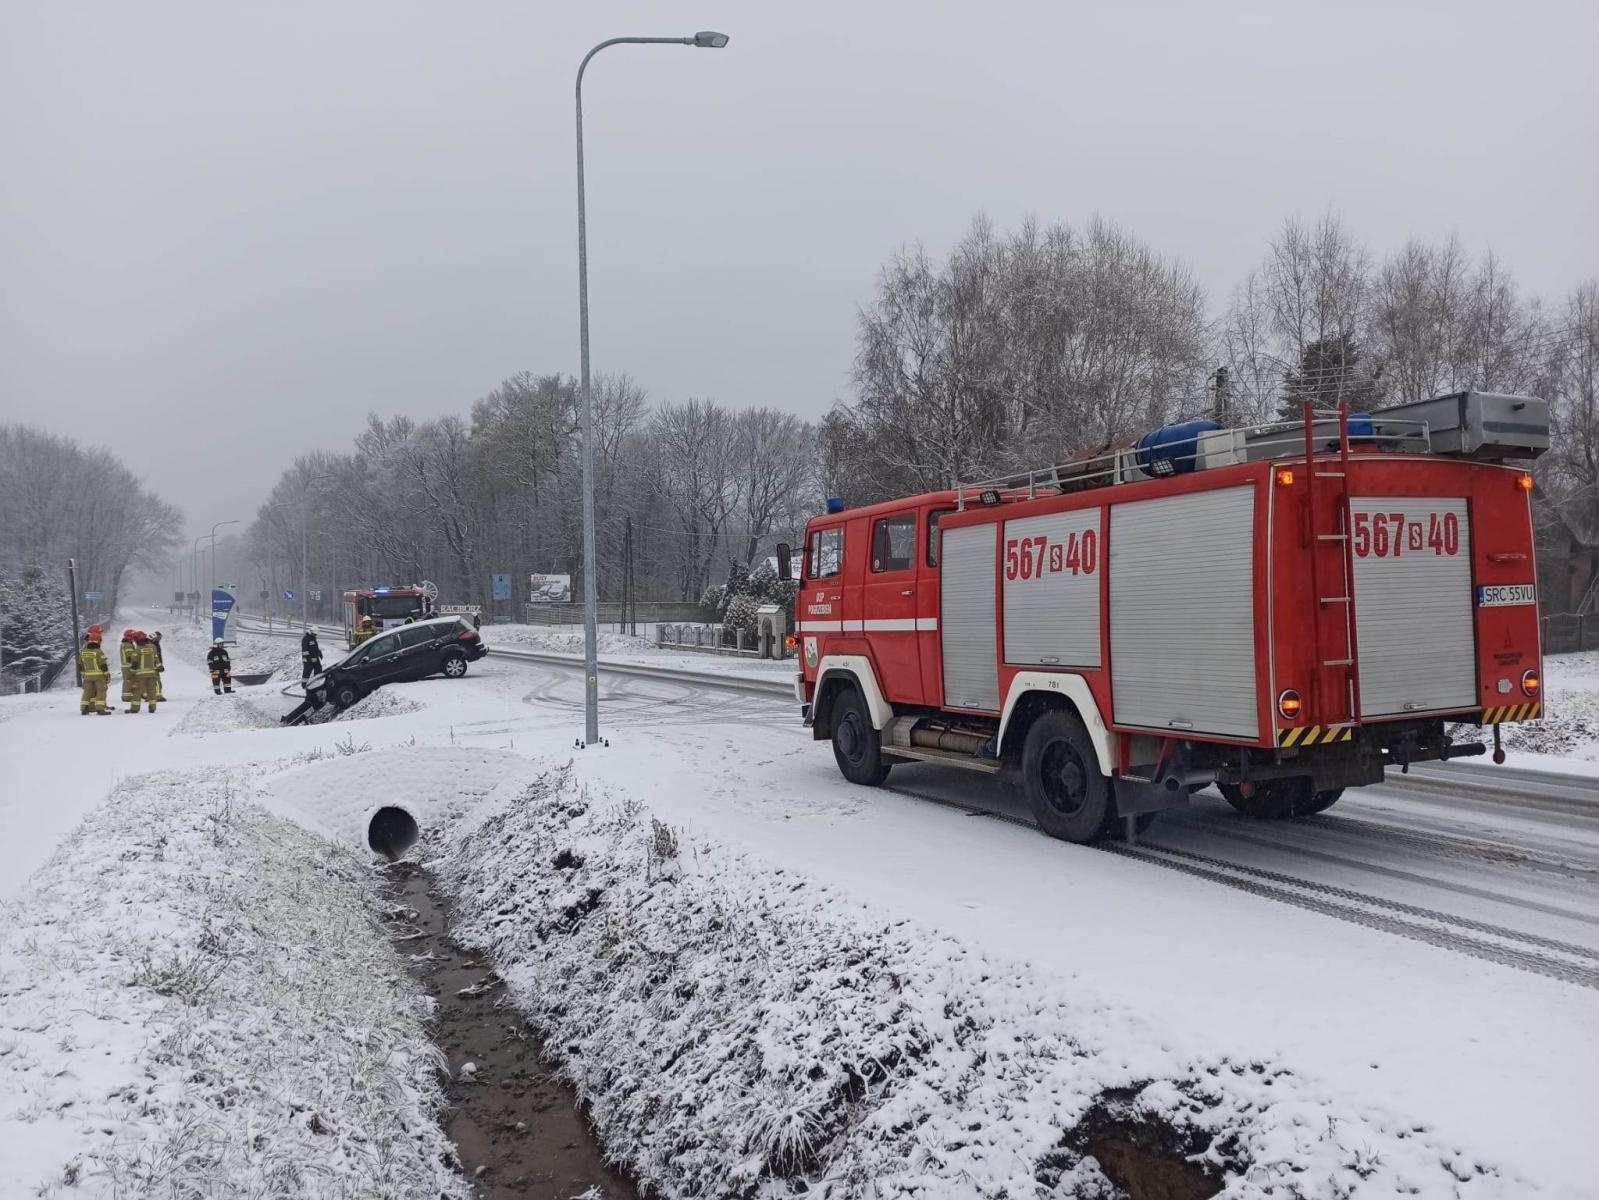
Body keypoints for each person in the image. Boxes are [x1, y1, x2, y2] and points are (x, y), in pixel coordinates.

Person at [78, 626, 112, 715]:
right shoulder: (98, 651)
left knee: (87, 691)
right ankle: (100, 708)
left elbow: (80, 664)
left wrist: (83, 674)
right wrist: (107, 675)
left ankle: (84, 708)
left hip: (87, 675)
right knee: (101, 690)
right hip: (99, 675)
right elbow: (103, 665)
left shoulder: (83, 651)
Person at [129, 631, 161, 713]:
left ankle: (134, 708)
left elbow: (134, 663)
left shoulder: (137, 650)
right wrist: (159, 667)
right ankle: (152, 707)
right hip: (152, 673)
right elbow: (156, 658)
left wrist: (131, 674)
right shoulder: (153, 647)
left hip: (140, 675)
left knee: (137, 691)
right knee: (152, 691)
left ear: (136, 640)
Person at [119, 629, 138, 708]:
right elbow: (130, 656)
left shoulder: (126, 644)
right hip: (128, 666)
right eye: (133, 636)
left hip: (126, 666)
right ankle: (127, 697)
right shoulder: (127, 645)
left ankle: (127, 696)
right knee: (128, 681)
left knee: (129, 681)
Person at [148, 631, 166, 701]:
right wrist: (159, 666)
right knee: (157, 681)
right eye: (158, 638)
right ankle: (158, 696)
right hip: (154, 666)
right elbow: (156, 656)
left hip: (150, 666)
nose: (159, 639)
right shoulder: (153, 645)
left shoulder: (154, 644)